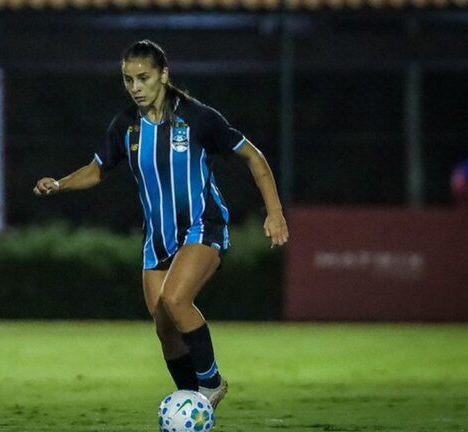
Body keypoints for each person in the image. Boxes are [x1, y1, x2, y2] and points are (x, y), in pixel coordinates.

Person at [33, 40, 288, 408]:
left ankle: (211, 384)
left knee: (175, 299)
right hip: (158, 239)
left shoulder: (199, 118)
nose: (135, 87)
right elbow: (98, 169)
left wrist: (275, 212)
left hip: (204, 226)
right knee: (165, 326)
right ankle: (190, 403)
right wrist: (59, 184)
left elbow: (254, 157)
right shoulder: (125, 125)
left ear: (164, 75)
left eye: (143, 78)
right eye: (127, 79)